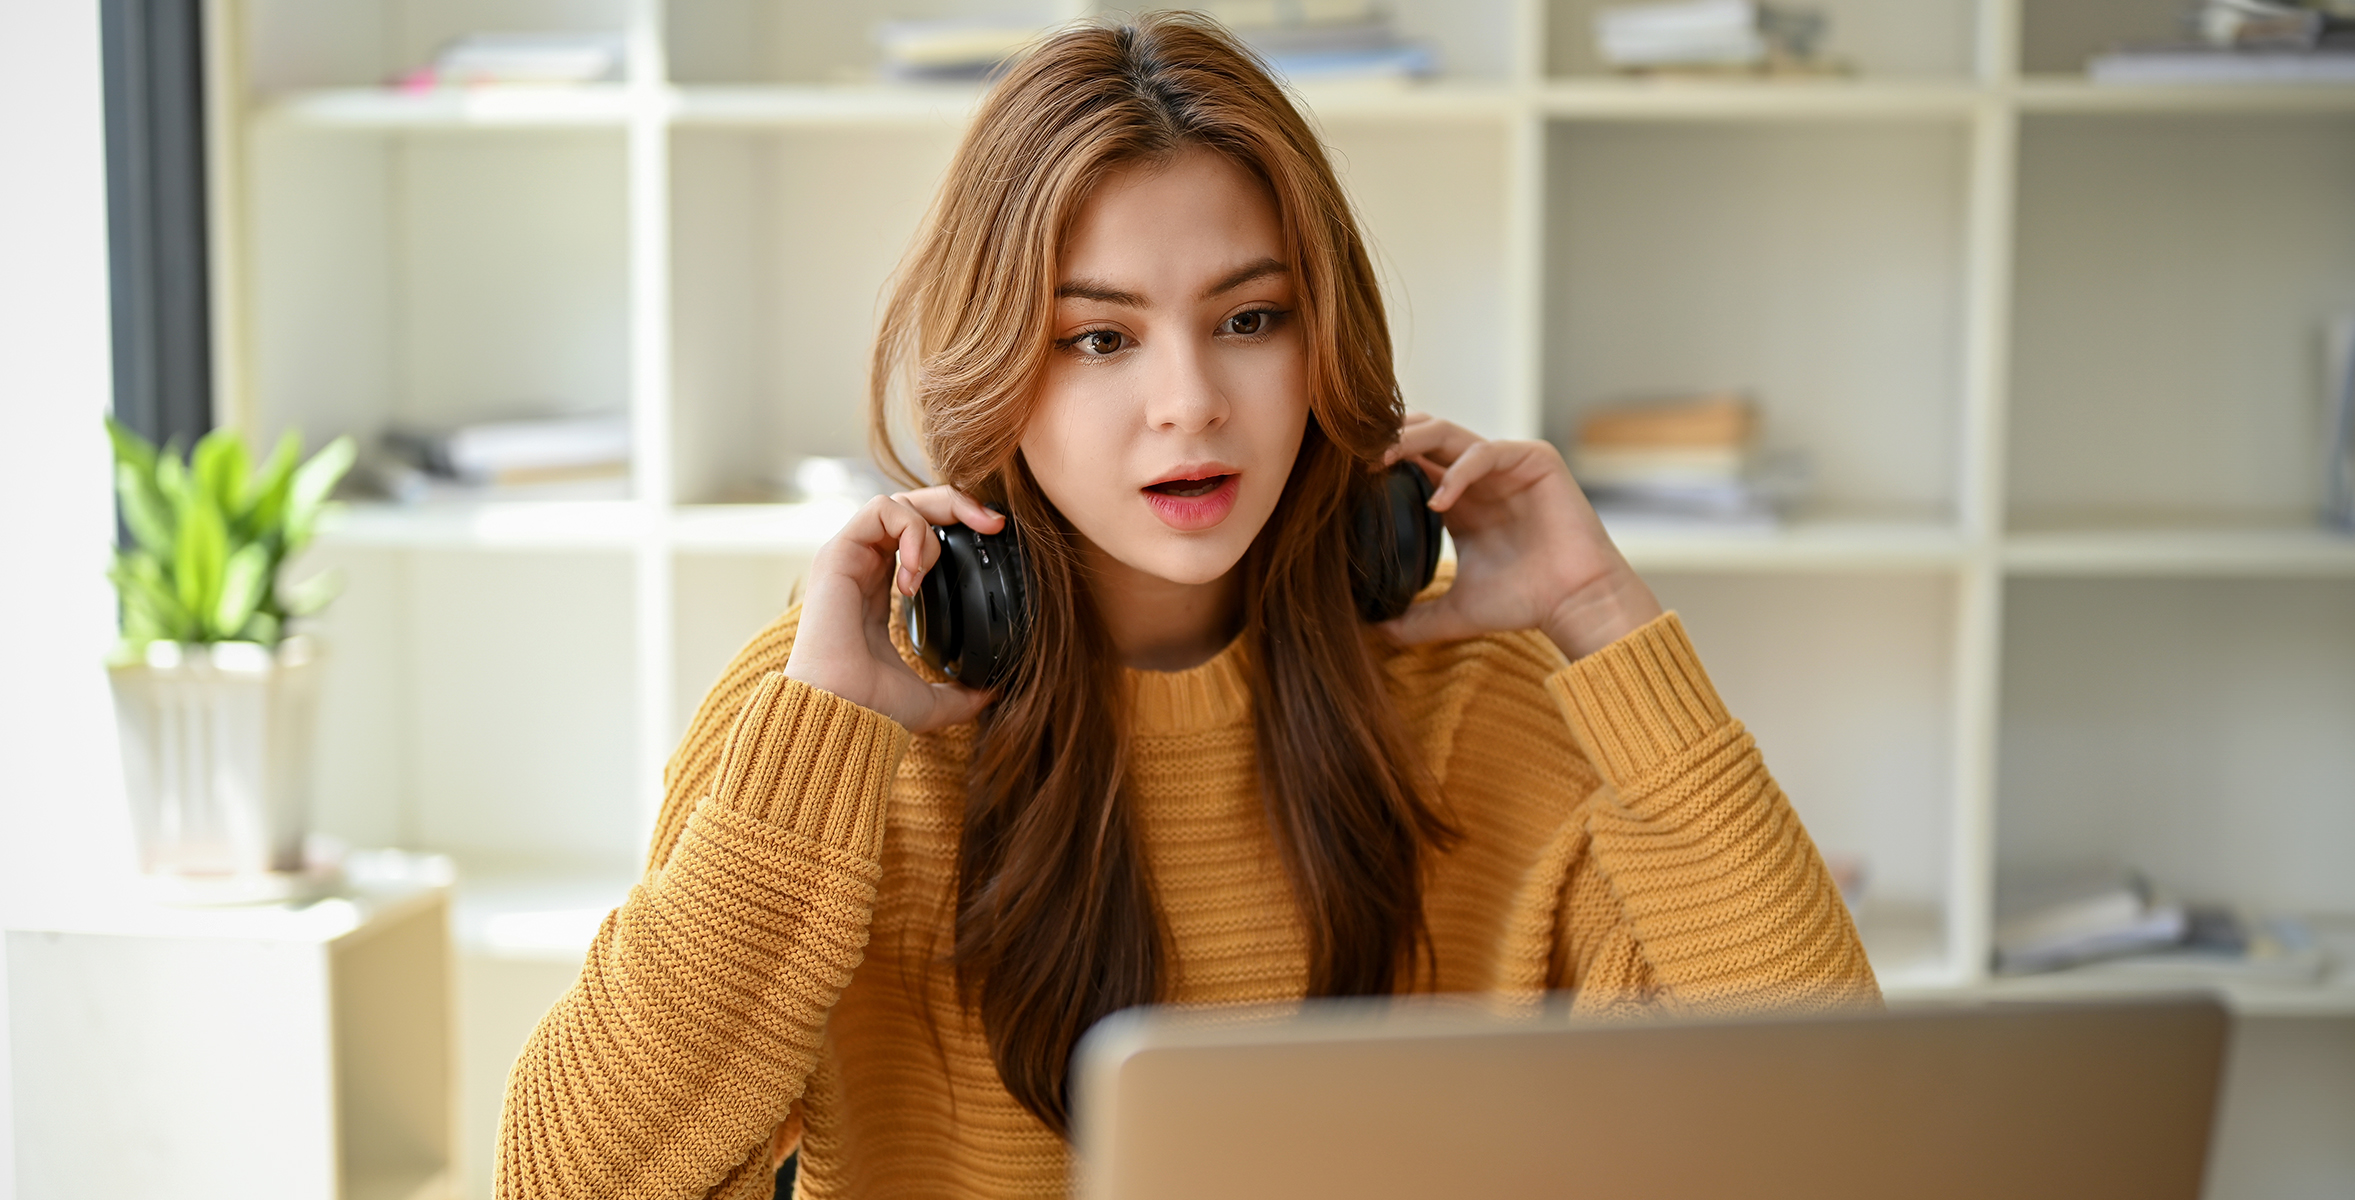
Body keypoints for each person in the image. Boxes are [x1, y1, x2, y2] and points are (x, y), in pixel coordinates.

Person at [497, 13, 1877, 1199]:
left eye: (1250, 319)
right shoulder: (830, 713)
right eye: (1098, 338)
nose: (1190, 404)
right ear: (1000, 377)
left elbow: (1835, 1132)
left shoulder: (1490, 704)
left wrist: (1598, 615)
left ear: (1324, 340)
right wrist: (817, 771)